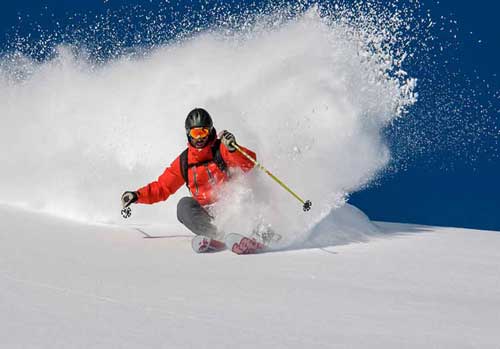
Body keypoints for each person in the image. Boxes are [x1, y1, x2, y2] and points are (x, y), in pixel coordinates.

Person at [121, 108, 257, 252]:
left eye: (203, 132)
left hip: (230, 206)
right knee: (183, 206)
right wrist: (137, 196)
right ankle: (216, 235)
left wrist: (233, 150)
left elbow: (249, 164)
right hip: (207, 215)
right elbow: (162, 187)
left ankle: (258, 232)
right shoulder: (184, 161)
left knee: (245, 192)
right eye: (195, 133)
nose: (199, 138)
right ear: (188, 134)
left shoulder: (221, 150)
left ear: (210, 131)